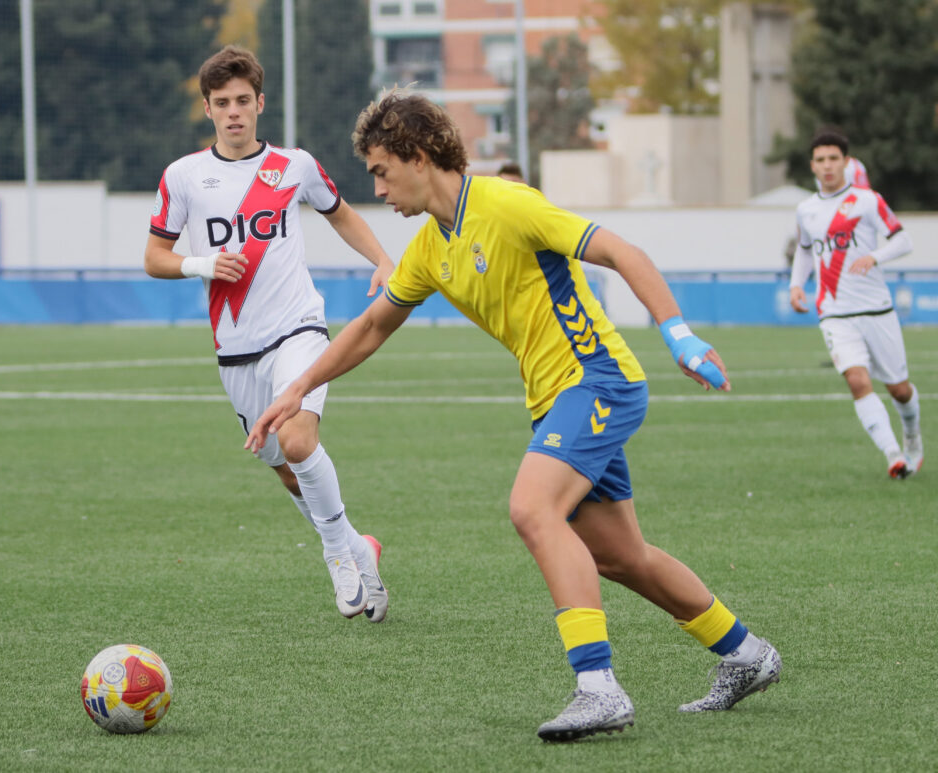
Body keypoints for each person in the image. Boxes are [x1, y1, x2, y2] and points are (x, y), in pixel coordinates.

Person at [245, 89, 781, 741]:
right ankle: (746, 654)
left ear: (417, 156)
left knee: (532, 508)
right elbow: (371, 326)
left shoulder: (506, 203)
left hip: (597, 379)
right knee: (621, 555)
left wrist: (678, 334)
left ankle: (598, 687)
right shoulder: (428, 248)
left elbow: (622, 252)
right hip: (556, 399)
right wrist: (298, 386)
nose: (378, 188)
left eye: (381, 171)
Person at [144, 45, 394, 622]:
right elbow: (155, 256)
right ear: (207, 108)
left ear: (260, 103)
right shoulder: (183, 176)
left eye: (242, 101)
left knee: (301, 441)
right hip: (234, 349)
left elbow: (341, 213)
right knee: (284, 468)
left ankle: (336, 554)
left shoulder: (294, 166)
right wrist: (200, 264)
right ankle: (360, 546)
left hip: (297, 329)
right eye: (221, 103)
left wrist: (382, 259)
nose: (234, 112)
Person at [790, 130, 923, 478]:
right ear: (812, 166)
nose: (828, 165)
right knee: (858, 382)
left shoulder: (866, 200)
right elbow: (804, 250)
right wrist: (795, 285)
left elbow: (903, 239)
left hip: (876, 309)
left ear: (847, 163)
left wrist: (874, 257)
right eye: (820, 160)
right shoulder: (806, 210)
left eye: (834, 158)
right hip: (834, 313)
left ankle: (912, 439)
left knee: (899, 389)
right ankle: (894, 455)